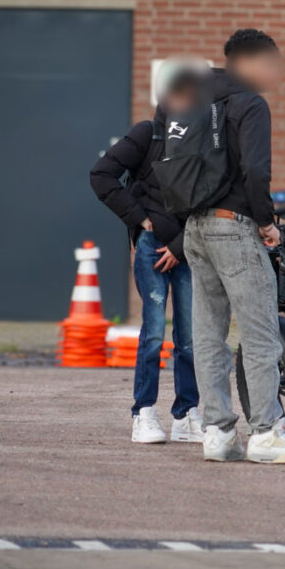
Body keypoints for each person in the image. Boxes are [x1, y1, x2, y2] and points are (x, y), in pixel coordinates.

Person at [183, 29, 285, 465]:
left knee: (207, 335)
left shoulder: (187, 99)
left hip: (194, 229)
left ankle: (218, 434)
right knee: (260, 331)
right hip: (234, 225)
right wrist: (267, 224)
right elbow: (256, 171)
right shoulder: (250, 104)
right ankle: (266, 433)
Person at [88, 59, 204, 445]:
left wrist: (180, 244)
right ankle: (144, 413)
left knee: (189, 336)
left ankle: (187, 415)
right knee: (154, 332)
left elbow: (209, 197)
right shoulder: (146, 134)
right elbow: (101, 175)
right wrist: (140, 220)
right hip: (152, 247)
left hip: (187, 248)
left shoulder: (205, 140)